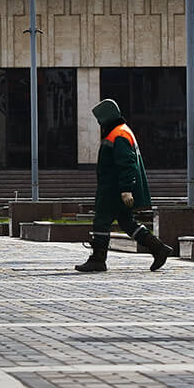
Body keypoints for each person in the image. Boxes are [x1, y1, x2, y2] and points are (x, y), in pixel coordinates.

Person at [76, 98, 175, 273]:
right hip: (115, 187)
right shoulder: (121, 131)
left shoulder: (118, 134)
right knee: (127, 222)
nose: (99, 124)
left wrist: (126, 189)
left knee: (102, 220)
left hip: (113, 189)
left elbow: (127, 163)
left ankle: (98, 259)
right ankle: (158, 248)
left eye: (100, 120)